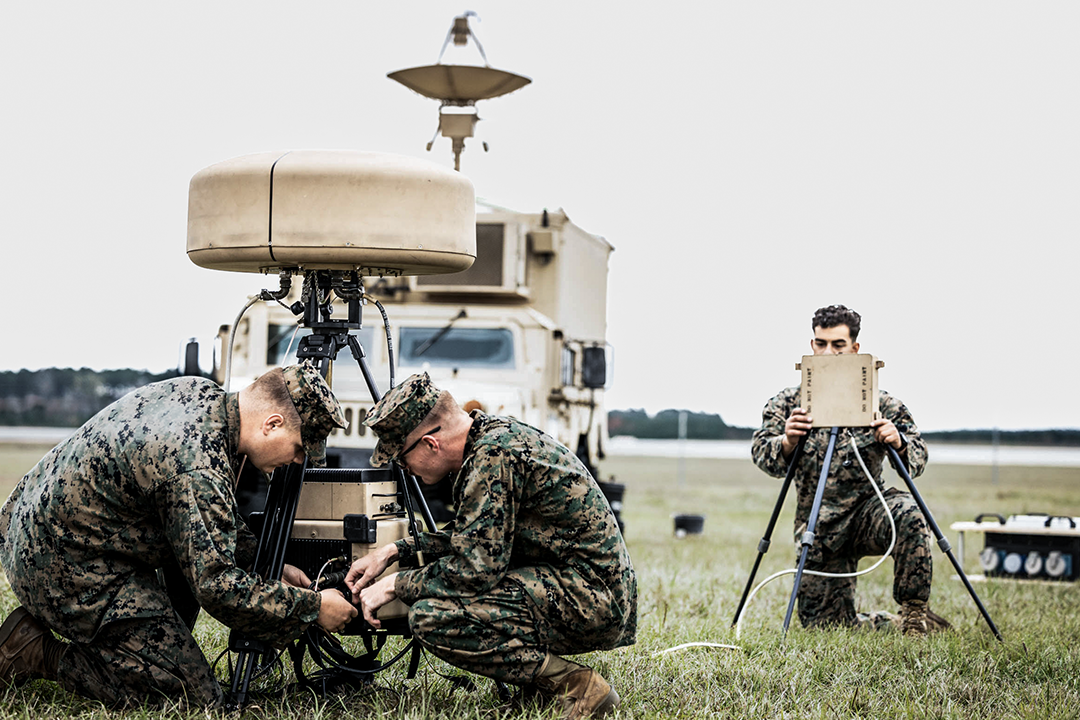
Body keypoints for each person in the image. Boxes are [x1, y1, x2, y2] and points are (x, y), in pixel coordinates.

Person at [0, 363, 358, 707]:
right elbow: (217, 586)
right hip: (60, 563)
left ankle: (135, 645)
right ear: (272, 423)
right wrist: (313, 609)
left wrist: (267, 568)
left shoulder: (204, 396)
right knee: (189, 695)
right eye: (299, 449)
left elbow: (208, 525)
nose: (299, 462)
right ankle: (34, 651)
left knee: (171, 654)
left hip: (46, 533)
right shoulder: (196, 464)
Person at [345, 373, 636, 720]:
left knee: (432, 618)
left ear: (430, 444)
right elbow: (481, 537)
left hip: (591, 598)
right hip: (582, 586)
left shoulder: (492, 456)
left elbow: (476, 568)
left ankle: (576, 687)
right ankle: (541, 691)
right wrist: (395, 551)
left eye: (402, 457)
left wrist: (395, 584)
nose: (403, 467)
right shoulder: (490, 440)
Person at [751, 305, 948, 635]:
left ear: (855, 349)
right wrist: (787, 441)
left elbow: (919, 456)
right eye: (820, 343)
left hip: (870, 512)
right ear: (811, 345)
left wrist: (897, 441)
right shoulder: (788, 404)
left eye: (838, 345)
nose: (828, 353)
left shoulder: (882, 403)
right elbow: (762, 453)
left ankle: (915, 617)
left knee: (911, 514)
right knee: (825, 628)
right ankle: (885, 623)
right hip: (819, 529)